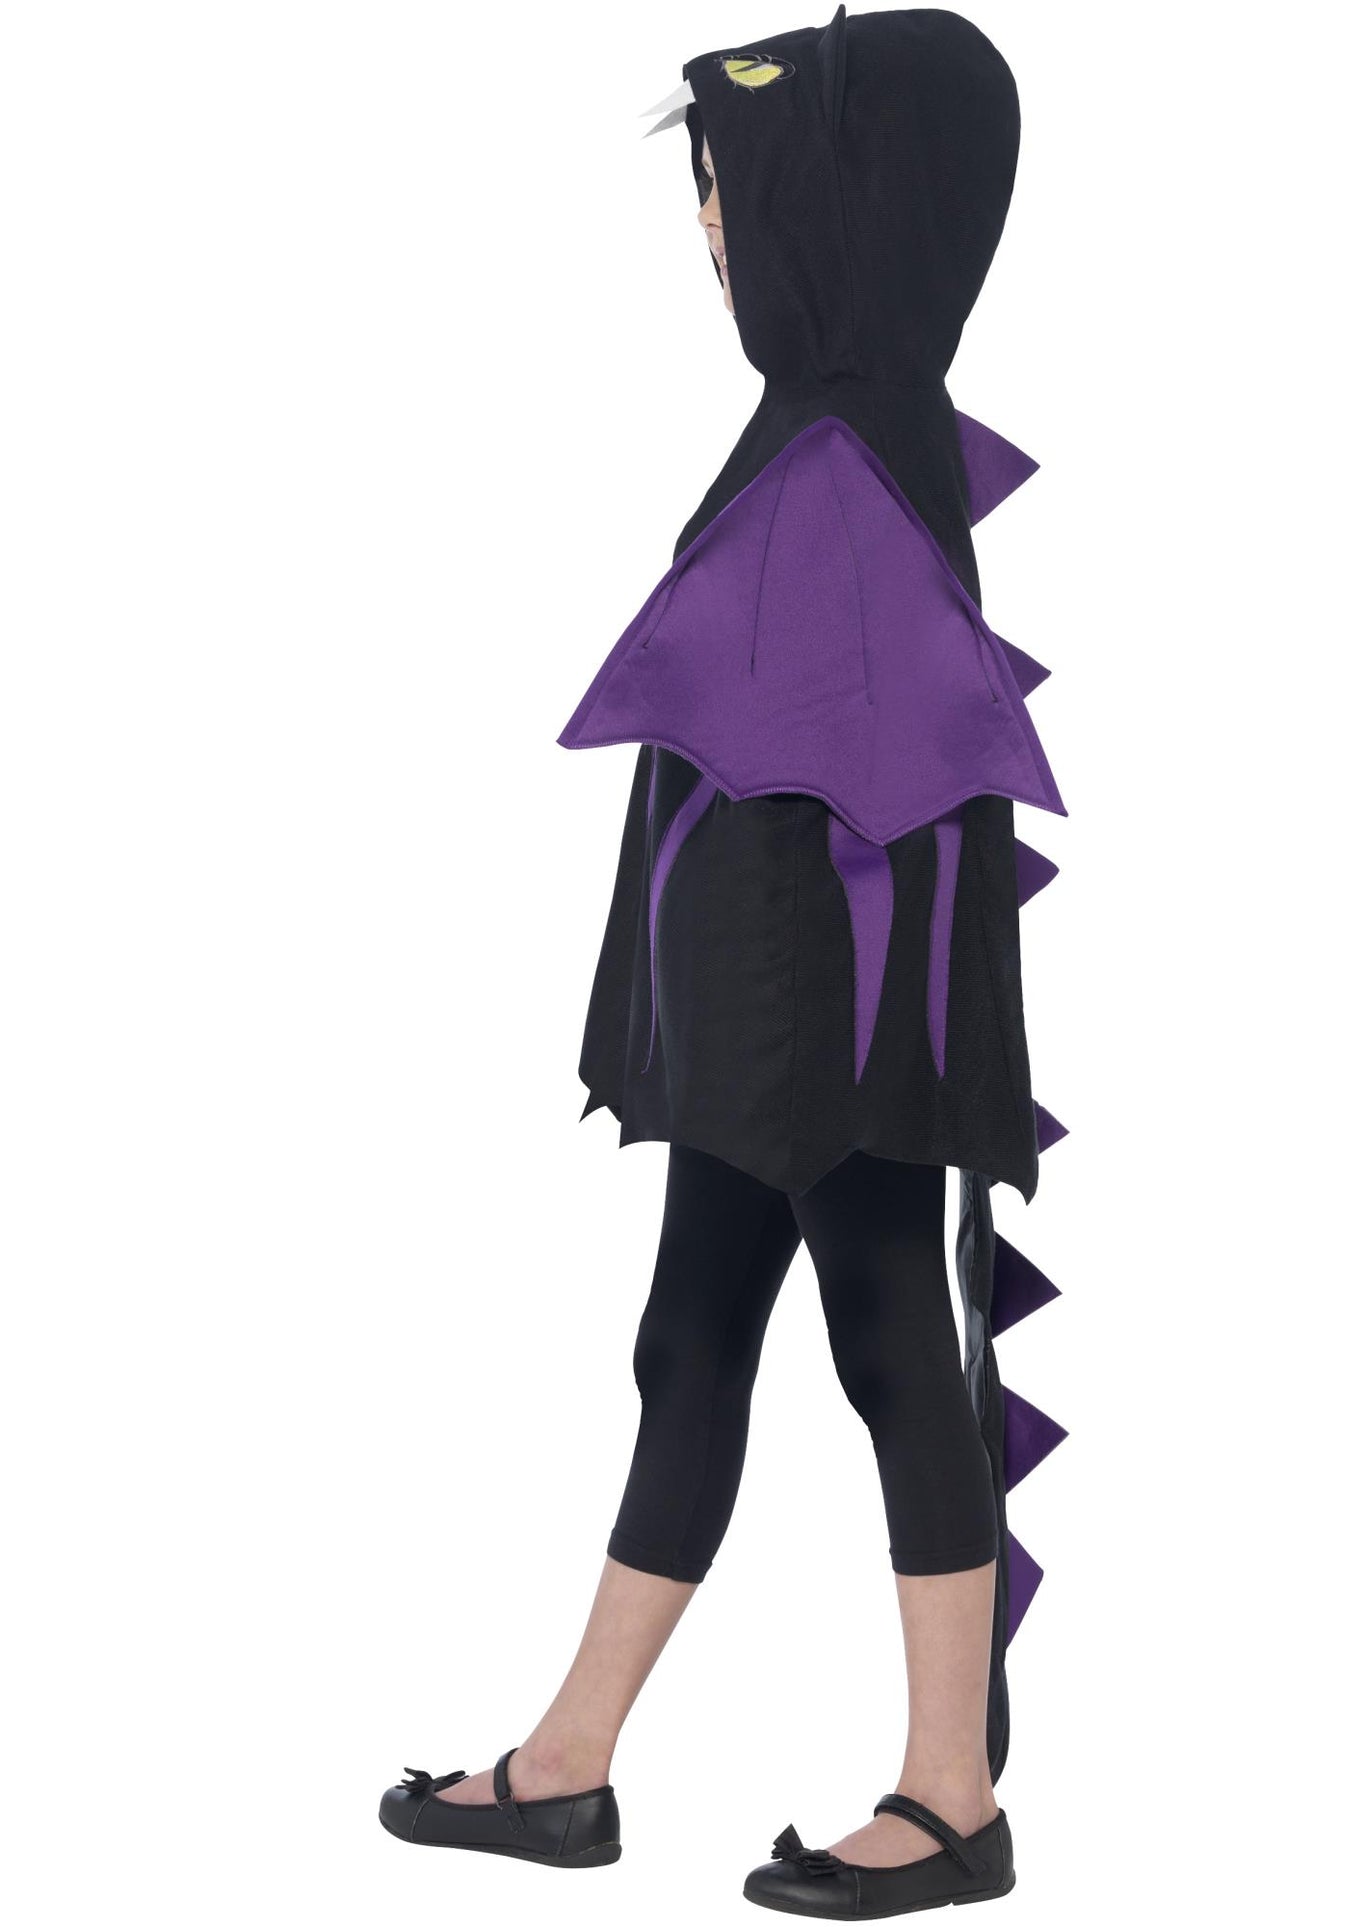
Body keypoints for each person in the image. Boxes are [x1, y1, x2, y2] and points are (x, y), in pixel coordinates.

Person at [379, 9, 1067, 1916]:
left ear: (832, 206)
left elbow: (835, 801)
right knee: (691, 1337)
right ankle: (565, 1770)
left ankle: (951, 1802)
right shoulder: (838, 435)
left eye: (726, 186)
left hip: (819, 1014)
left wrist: (748, 1035)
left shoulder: (843, 455)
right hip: (777, 1010)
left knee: (885, 1333)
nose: (707, 226)